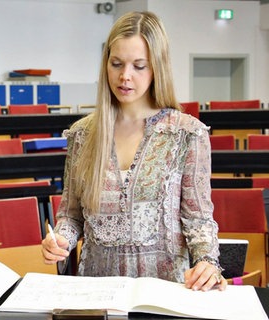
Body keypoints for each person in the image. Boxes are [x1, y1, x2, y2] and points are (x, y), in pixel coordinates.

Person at [41, 11, 227, 291]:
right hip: (97, 292)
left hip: (165, 292)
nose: (125, 76)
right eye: (116, 64)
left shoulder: (187, 134)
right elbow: (71, 214)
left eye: (139, 66)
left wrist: (207, 262)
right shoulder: (82, 134)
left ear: (157, 68)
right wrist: (61, 241)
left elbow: (198, 218)